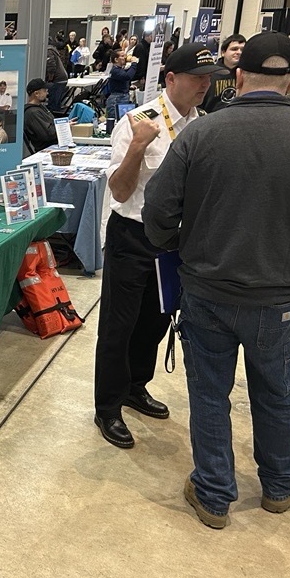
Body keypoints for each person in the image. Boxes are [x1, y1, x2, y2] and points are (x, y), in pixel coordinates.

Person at [143, 31, 290, 527]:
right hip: (282, 297)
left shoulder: (200, 133)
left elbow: (157, 212)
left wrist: (178, 247)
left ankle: (214, 493)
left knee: (209, 392)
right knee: (279, 390)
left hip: (206, 292)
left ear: (238, 76)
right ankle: (281, 484)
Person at [92, 43, 227, 450]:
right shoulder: (138, 121)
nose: (205, 85)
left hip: (174, 241)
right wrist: (137, 146)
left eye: (209, 78)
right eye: (197, 78)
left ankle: (136, 386)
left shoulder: (201, 125)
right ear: (171, 79)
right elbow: (118, 191)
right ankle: (108, 407)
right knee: (120, 323)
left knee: (155, 318)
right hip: (132, 235)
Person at [200, 34, 244, 113]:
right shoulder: (210, 74)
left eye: (242, 50)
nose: (239, 52)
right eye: (234, 49)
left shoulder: (246, 75)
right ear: (223, 52)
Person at [22, 78, 58, 154]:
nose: (47, 93)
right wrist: (63, 127)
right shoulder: (32, 113)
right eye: (45, 91)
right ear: (36, 93)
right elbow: (49, 134)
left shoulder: (40, 107)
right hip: (48, 149)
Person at [105, 49, 136, 120]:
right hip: (117, 99)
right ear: (116, 59)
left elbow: (120, 82)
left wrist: (128, 87)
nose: (125, 57)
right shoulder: (115, 70)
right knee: (115, 120)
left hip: (122, 97)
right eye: (122, 56)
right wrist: (134, 64)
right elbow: (127, 77)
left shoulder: (120, 69)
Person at [45, 38, 69, 114]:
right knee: (56, 104)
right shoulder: (53, 50)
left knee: (53, 105)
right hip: (62, 77)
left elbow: (51, 66)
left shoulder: (48, 51)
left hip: (57, 79)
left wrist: (50, 79)